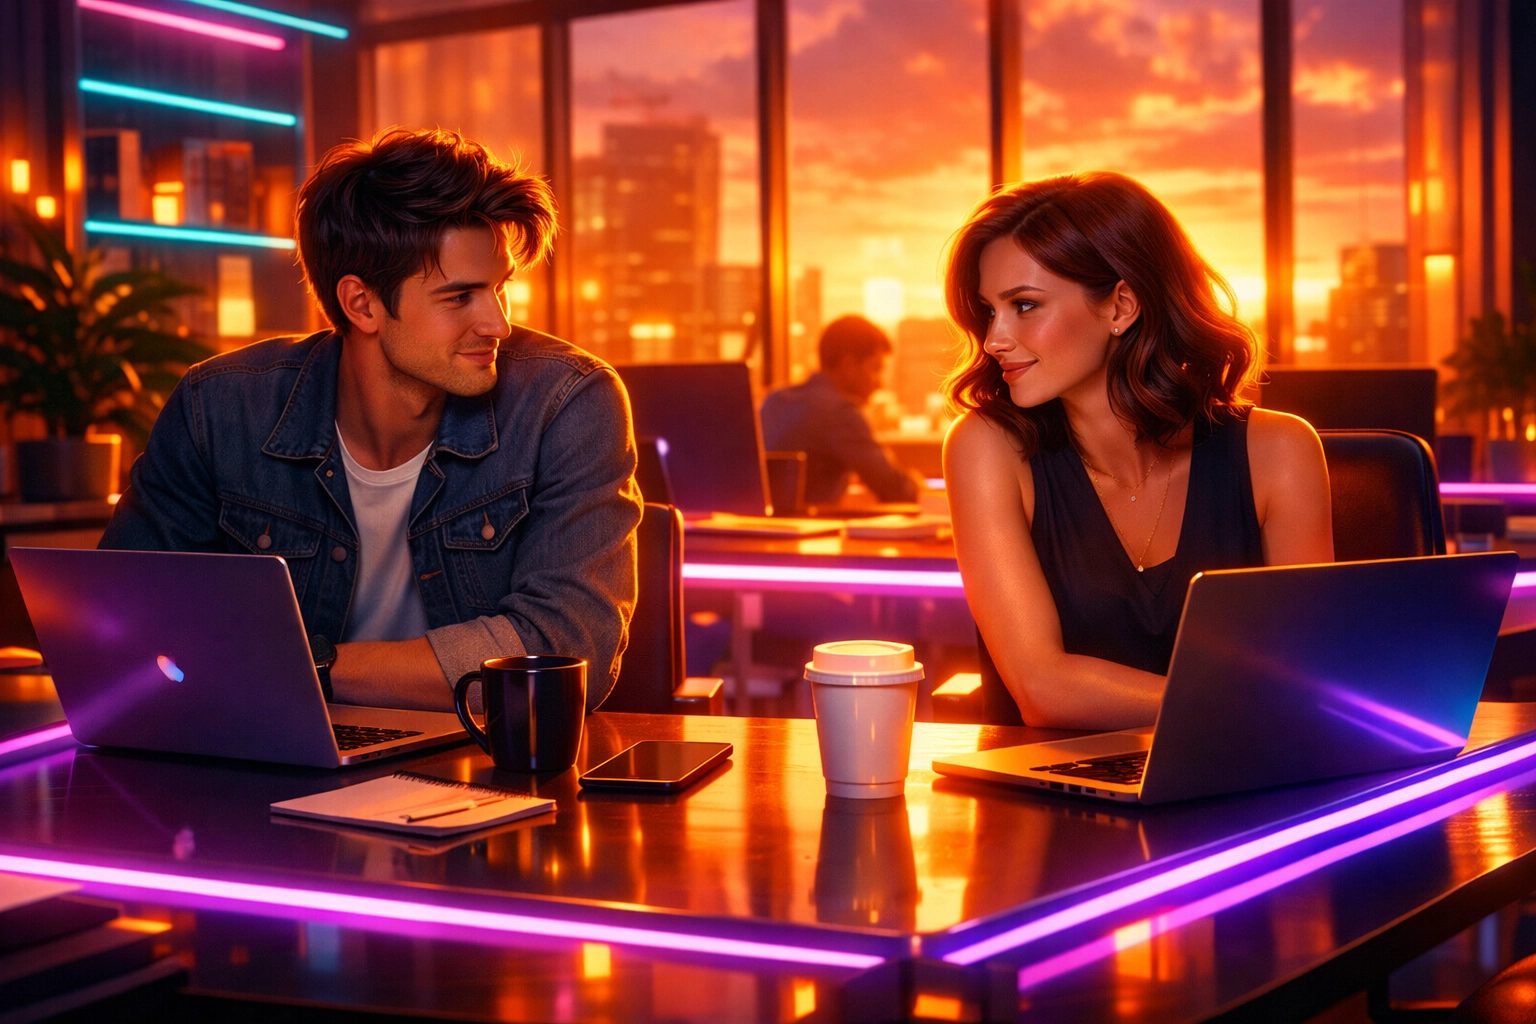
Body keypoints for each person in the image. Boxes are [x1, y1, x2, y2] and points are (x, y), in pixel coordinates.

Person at [99, 128, 643, 713]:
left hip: (482, 769)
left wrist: (298, 667)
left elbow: (560, 651)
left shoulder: (567, 403)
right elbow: (120, 619)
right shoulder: (220, 407)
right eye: (460, 298)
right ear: (362, 304)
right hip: (271, 758)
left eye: (499, 289)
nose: (498, 324)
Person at [942, 172, 1332, 730]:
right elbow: (1041, 688)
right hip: (1048, 802)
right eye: (989, 311)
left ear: (1121, 306)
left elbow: (1312, 677)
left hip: (1247, 794)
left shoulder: (1280, 452)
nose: (994, 338)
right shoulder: (987, 448)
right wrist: (1246, 703)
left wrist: (1274, 705)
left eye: (1024, 306)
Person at [760, 315, 922, 507]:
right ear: (848, 365)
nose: (880, 383)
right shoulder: (841, 413)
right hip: (812, 531)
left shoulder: (775, 399)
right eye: (876, 369)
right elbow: (896, 490)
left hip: (760, 528)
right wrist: (916, 484)